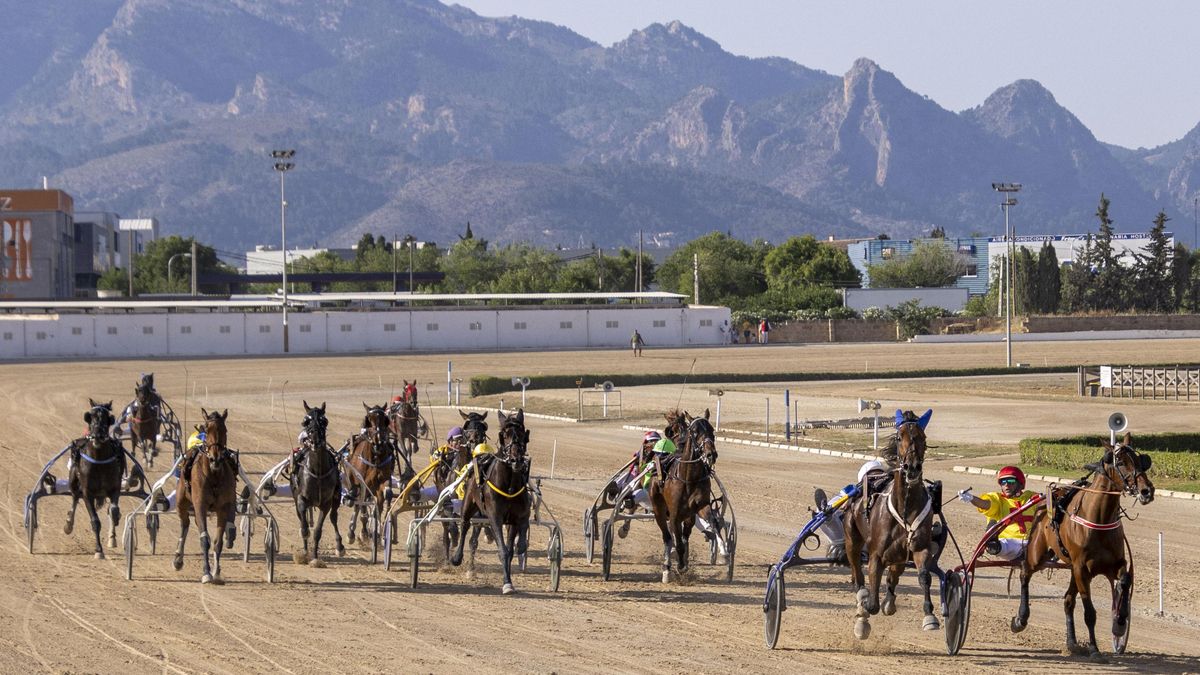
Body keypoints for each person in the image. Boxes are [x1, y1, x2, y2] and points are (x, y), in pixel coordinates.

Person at [957, 466, 1039, 560]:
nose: (1006, 485)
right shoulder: (998, 499)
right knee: (1000, 545)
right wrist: (972, 498)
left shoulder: (1031, 497)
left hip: (1034, 542)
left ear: (1020, 483)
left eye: (1011, 481)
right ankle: (993, 546)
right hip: (1010, 544)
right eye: (1003, 482)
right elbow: (985, 504)